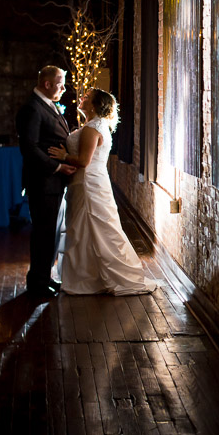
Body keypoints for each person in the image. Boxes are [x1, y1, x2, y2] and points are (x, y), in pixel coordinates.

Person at [48, 89, 157, 295]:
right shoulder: (97, 125)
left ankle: (87, 279)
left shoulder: (92, 127)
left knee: (86, 227)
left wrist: (63, 155)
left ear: (95, 105)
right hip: (92, 182)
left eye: (86, 98)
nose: (82, 99)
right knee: (92, 228)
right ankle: (93, 276)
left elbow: (83, 161)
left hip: (87, 183)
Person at [16, 65, 76, 299]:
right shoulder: (31, 108)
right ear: (47, 84)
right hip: (43, 182)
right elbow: (29, 148)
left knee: (50, 233)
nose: (63, 88)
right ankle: (37, 284)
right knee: (43, 233)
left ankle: (45, 278)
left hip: (53, 184)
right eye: (60, 83)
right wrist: (58, 166)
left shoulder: (47, 105)